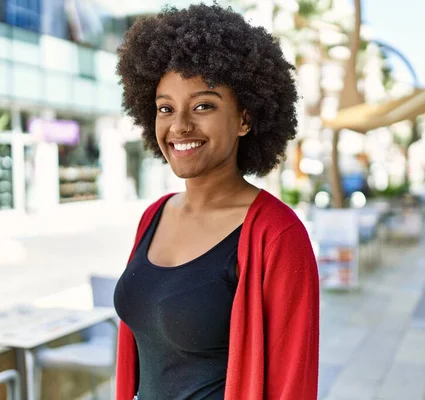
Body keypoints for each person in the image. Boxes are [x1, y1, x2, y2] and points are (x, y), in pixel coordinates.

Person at [113, 4, 319, 399]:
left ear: (245, 119)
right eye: (165, 108)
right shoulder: (153, 217)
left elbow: (292, 383)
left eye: (203, 105)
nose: (180, 126)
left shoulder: (277, 236)